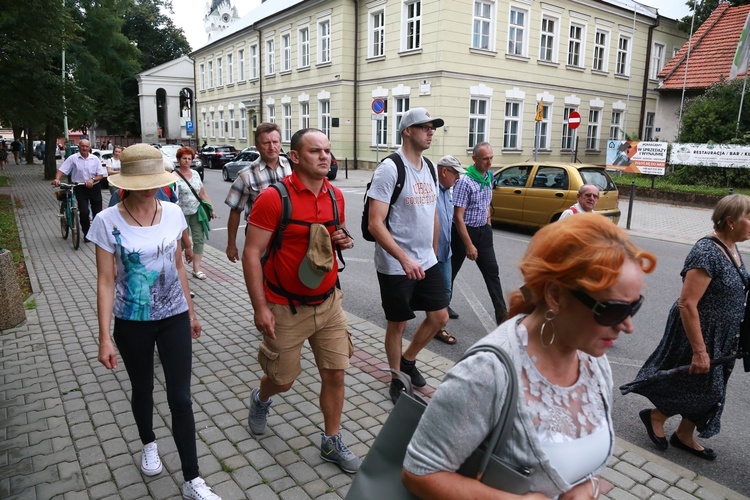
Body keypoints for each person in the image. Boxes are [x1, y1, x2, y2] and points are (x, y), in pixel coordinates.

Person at [402, 213, 656, 498]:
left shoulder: (593, 359)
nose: (628, 326)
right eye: (614, 310)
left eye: (634, 307)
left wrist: (588, 486)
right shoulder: (487, 372)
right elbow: (419, 472)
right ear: (556, 296)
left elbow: (582, 464)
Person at [89, 143, 220, 499]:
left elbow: (179, 266)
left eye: (153, 179)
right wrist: (104, 337)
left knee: (181, 396)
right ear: (125, 181)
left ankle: (192, 479)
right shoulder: (106, 221)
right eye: (141, 180)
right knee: (143, 388)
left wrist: (192, 312)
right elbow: (105, 280)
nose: (149, 187)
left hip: (174, 316)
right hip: (132, 321)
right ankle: (149, 443)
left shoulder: (175, 212)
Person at [241, 128, 360, 473]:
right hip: (284, 307)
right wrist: (260, 307)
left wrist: (341, 239)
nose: (325, 156)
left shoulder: (336, 196)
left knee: (336, 374)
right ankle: (262, 398)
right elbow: (252, 254)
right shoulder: (273, 198)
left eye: (327, 150)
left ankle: (331, 441)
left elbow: (327, 242)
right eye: (315, 151)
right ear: (294, 156)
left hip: (328, 302)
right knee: (284, 380)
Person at [630, 194, 750, 461]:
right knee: (706, 388)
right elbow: (687, 303)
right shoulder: (706, 251)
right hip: (698, 331)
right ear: (730, 221)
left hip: (723, 334)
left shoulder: (731, 247)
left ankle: (684, 434)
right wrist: (699, 350)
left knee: (704, 385)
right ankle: (655, 416)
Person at [367, 107, 449, 403]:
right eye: (425, 127)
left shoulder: (428, 166)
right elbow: (375, 223)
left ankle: (408, 360)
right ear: (407, 131)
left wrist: (435, 251)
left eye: (432, 127)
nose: (431, 132)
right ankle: (396, 378)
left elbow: (433, 211)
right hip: (395, 263)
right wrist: (403, 258)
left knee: (439, 316)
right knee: (398, 323)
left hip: (426, 260)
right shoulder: (390, 168)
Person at [450, 141, 508, 325]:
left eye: (491, 158)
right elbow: (458, 216)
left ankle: (502, 314)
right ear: (474, 158)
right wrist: (468, 244)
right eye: (485, 159)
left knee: (492, 272)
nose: (489, 162)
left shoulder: (489, 177)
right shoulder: (464, 180)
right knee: (450, 272)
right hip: (463, 234)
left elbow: (486, 205)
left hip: (484, 232)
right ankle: (440, 310)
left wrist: (488, 225)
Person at [224, 122, 292, 262]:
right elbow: (235, 211)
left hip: (289, 233)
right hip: (260, 234)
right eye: (266, 143)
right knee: (261, 275)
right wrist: (231, 244)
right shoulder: (246, 175)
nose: (272, 147)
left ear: (280, 143)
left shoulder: (292, 166)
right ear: (257, 145)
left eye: (275, 142)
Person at [434, 155, 465, 345]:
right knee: (415, 290)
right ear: (444, 171)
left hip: (446, 252)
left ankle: (437, 327)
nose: (458, 179)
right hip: (429, 252)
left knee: (445, 289)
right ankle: (399, 322)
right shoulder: (431, 190)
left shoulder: (448, 192)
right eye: (456, 174)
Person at [52, 139, 106, 241]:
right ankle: (87, 233)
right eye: (82, 146)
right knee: (84, 211)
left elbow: (100, 175)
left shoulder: (95, 159)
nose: (84, 148)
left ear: (89, 147)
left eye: (86, 146)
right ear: (79, 147)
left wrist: (92, 179)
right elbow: (62, 169)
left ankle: (97, 233)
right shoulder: (73, 158)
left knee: (98, 212)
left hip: (94, 186)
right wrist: (57, 179)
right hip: (80, 187)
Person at [174, 146, 215, 280]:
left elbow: (202, 193)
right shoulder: (173, 176)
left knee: (199, 240)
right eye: (184, 158)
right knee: (181, 243)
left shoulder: (196, 174)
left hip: (197, 211)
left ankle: (196, 269)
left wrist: (211, 207)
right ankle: (178, 270)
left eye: (189, 159)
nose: (187, 161)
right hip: (180, 215)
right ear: (179, 160)